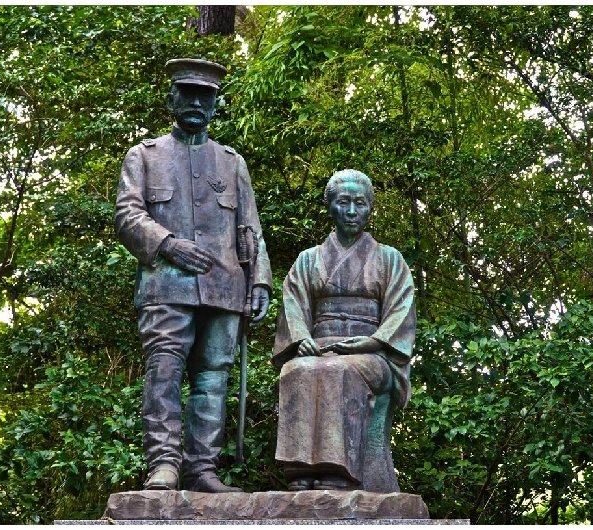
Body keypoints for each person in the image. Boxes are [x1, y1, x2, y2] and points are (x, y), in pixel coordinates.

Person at [115, 58, 272, 493]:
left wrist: (259, 281)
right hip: (165, 284)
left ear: (216, 106)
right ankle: (162, 465)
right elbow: (127, 216)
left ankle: (203, 469)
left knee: (212, 378)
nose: (196, 103)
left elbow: (251, 228)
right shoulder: (144, 157)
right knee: (164, 371)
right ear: (171, 98)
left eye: (206, 97)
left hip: (225, 287)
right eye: (187, 94)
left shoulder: (231, 162)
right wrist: (168, 243)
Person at [272, 169, 415, 492]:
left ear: (370, 208)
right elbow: (293, 303)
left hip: (370, 352)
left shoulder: (389, 259)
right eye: (344, 203)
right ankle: (300, 469)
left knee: (340, 370)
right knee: (296, 370)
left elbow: (400, 311)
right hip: (319, 345)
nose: (352, 212)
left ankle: (339, 470)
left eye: (360, 204)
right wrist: (301, 338)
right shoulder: (309, 259)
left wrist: (372, 341)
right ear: (331, 207)